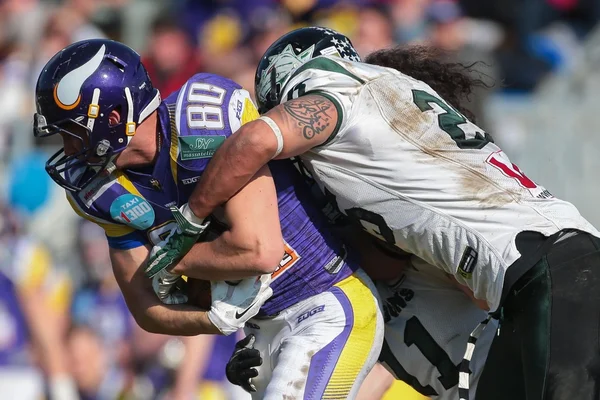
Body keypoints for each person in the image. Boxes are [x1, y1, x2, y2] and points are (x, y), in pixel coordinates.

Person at [151, 26, 600, 400]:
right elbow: (376, 273)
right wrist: (271, 349)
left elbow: (255, 141)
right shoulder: (391, 142)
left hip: (543, 275)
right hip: (543, 281)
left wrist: (189, 220)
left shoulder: (336, 88)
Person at [33, 38, 384, 399]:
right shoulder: (103, 190)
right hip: (263, 332)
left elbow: (259, 251)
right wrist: (212, 321)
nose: (70, 150)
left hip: (326, 302)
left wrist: (170, 260)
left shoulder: (200, 120)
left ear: (112, 117)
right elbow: (145, 307)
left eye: (72, 132)